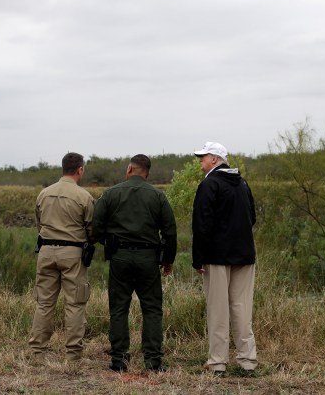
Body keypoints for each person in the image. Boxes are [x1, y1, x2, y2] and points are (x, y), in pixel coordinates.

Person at [92, 154, 177, 373]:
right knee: (152, 309)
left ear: (129, 169)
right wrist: (167, 259)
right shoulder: (158, 196)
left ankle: (119, 359)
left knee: (119, 308)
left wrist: (110, 243)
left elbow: (96, 228)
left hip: (119, 257)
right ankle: (153, 361)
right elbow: (169, 231)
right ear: (147, 172)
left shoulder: (111, 194)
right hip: (148, 259)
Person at [191, 141, 258, 375]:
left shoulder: (209, 184)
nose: (200, 160)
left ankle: (218, 362)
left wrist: (197, 258)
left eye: (204, 157)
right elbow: (252, 217)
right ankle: (248, 360)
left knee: (218, 309)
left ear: (215, 160)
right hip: (245, 255)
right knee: (241, 308)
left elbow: (201, 225)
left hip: (217, 256)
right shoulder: (242, 183)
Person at [29, 152, 95, 362]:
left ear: (62, 168)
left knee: (44, 303)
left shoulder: (44, 194)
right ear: (80, 170)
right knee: (75, 303)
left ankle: (37, 352)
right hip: (73, 253)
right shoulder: (84, 196)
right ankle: (73, 354)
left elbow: (39, 225)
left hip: (46, 251)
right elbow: (91, 230)